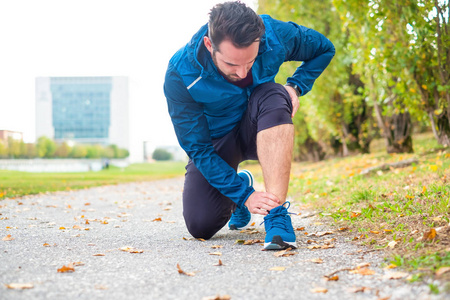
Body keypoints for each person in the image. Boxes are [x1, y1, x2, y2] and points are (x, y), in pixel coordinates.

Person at [164, 1, 334, 250]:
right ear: (209, 45)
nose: (243, 73)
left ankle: (276, 217)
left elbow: (324, 48)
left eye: (250, 61)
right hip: (218, 139)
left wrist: (296, 86)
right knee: (200, 225)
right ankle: (240, 191)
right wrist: (244, 194)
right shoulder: (180, 73)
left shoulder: (274, 34)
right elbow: (199, 149)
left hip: (262, 123)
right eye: (231, 65)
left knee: (275, 94)